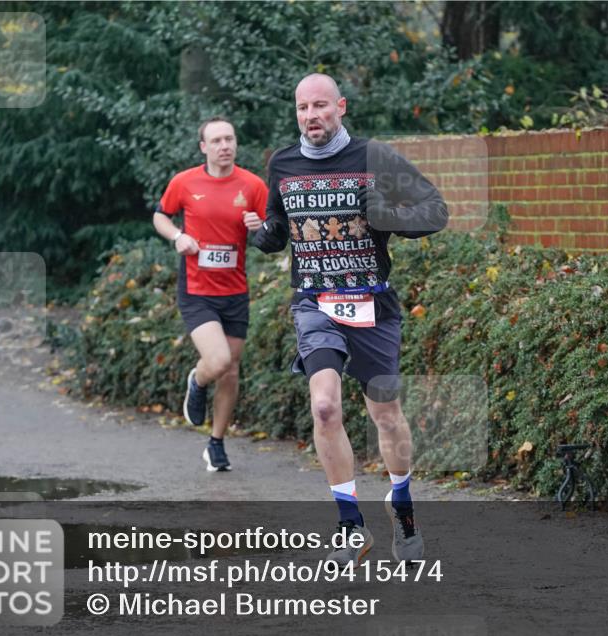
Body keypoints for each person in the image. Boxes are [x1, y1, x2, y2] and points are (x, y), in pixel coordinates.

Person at [252, 74, 448, 565]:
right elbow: (279, 229)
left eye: (320, 106)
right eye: (302, 108)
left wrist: (386, 214)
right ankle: (349, 524)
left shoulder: (374, 157)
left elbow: (435, 210)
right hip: (315, 301)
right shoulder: (283, 163)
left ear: (340, 107)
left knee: (386, 416)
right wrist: (263, 234)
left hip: (373, 304)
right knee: (323, 407)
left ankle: (401, 504)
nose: (311, 116)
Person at [153, 117, 268, 472]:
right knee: (217, 362)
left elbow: (272, 235)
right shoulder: (185, 182)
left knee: (231, 371)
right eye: (216, 140)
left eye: (229, 139)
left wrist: (260, 227)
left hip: (235, 291)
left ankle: (216, 443)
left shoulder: (252, 185)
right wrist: (178, 237)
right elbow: (160, 216)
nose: (224, 146)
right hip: (197, 290)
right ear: (203, 147)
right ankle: (197, 379)